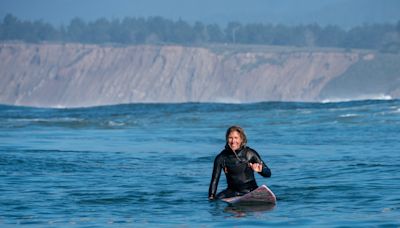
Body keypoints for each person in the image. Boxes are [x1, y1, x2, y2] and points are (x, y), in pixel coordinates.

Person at [208, 125, 271, 200]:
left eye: (236, 138)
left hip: (250, 190)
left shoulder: (250, 154)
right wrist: (211, 197)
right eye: (230, 138)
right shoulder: (221, 158)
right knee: (217, 198)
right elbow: (214, 180)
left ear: (241, 139)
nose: (233, 141)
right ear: (227, 139)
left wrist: (261, 171)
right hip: (232, 191)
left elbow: (268, 173)